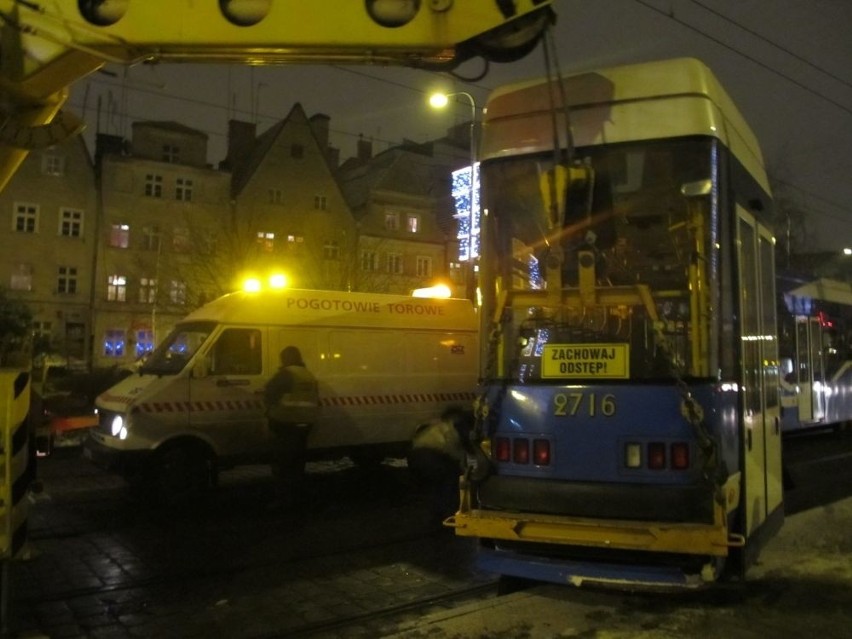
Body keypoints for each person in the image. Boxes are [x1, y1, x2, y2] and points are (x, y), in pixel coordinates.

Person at [263, 346, 319, 507]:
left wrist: (269, 414)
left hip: (286, 424)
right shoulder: (307, 374)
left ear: (286, 359)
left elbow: (270, 393)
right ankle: (298, 497)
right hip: (306, 424)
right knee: (298, 464)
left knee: (283, 465)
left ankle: (283, 500)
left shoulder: (286, 374)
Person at [407, 408, 474, 530]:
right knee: (449, 482)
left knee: (436, 487)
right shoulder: (454, 429)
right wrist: (463, 468)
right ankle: (447, 514)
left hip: (417, 455)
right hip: (430, 456)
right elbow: (455, 451)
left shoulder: (440, 426)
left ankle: (437, 516)